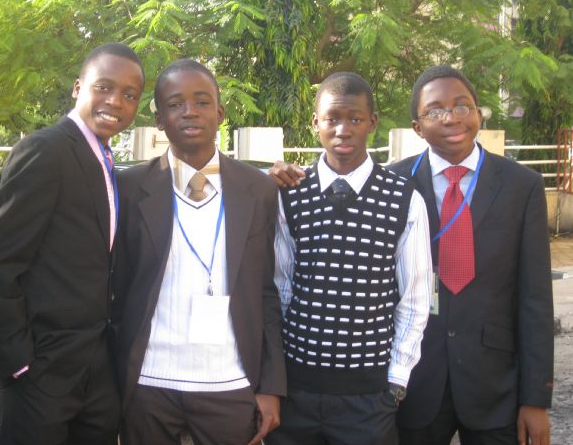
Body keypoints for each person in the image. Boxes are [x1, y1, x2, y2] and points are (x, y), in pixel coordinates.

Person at [0, 43, 145, 445]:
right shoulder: (45, 149)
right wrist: (17, 362)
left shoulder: (105, 161)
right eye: (104, 87)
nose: (115, 101)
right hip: (41, 371)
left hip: (98, 372)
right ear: (78, 87)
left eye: (129, 94)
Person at [112, 59, 285, 445]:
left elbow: (266, 292)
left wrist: (271, 385)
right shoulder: (129, 188)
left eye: (202, 101)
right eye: (175, 104)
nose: (189, 111)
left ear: (220, 113)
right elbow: (116, 288)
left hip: (229, 381)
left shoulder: (258, 190)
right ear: (159, 120)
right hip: (149, 382)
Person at [387, 66, 553, 445]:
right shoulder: (394, 184)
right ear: (417, 127)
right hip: (416, 382)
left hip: (495, 386)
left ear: (478, 113)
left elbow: (535, 300)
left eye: (462, 106)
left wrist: (535, 399)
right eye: (436, 110)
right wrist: (283, 180)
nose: (451, 118)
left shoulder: (522, 186)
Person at [267, 72, 432, 445]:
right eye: (332, 119)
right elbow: (281, 288)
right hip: (296, 391)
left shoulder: (403, 199)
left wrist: (396, 381)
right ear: (315, 124)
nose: (343, 129)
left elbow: (415, 298)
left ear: (372, 123)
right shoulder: (290, 193)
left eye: (355, 119)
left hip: (368, 399)